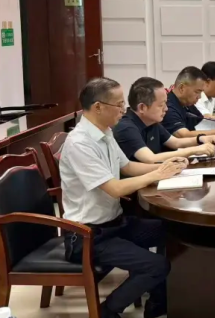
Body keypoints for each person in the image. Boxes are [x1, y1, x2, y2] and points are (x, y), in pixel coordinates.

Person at [59, 77, 188, 318]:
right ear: (98, 107)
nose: (123, 109)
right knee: (156, 266)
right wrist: (157, 174)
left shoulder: (105, 132)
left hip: (115, 223)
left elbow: (127, 166)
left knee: (174, 232)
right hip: (88, 235)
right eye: (119, 104)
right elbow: (115, 188)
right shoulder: (79, 144)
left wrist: (166, 167)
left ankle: (159, 303)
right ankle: (107, 311)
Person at [113, 77, 215, 163]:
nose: (166, 109)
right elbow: (150, 158)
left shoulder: (151, 122)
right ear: (142, 107)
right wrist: (195, 150)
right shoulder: (126, 127)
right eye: (161, 105)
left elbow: (175, 142)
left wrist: (201, 139)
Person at [163, 66, 215, 139]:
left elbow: (202, 122)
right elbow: (183, 135)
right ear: (182, 88)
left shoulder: (187, 103)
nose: (199, 97)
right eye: (197, 92)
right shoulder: (168, 107)